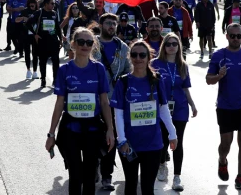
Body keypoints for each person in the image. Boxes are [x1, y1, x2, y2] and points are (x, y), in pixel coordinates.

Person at [45, 27, 115, 195]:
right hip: (70, 128)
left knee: (90, 176)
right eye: (81, 42)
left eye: (89, 42)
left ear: (93, 46)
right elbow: (59, 103)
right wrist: (51, 134)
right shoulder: (64, 70)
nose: (85, 45)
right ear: (73, 44)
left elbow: (104, 102)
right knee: (75, 175)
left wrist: (110, 130)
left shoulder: (98, 69)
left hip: (93, 129)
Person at [110, 40, 178, 195]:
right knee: (131, 185)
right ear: (129, 57)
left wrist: (172, 133)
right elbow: (118, 114)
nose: (138, 58)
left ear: (149, 57)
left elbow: (163, 109)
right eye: (134, 54)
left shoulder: (157, 79)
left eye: (142, 54)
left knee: (148, 188)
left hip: (153, 144)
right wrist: (121, 140)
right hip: (130, 144)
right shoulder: (123, 81)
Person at [206, 23, 241, 190]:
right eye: (233, 36)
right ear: (227, 36)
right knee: (226, 143)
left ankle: (240, 176)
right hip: (225, 105)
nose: (236, 39)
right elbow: (209, 79)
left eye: (239, 36)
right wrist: (218, 76)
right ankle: (222, 160)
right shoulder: (218, 55)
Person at [151, 33, 197, 191]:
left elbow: (185, 88)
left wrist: (192, 105)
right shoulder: (155, 63)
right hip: (161, 108)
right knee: (163, 140)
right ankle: (162, 165)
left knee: (177, 141)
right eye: (169, 44)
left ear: (179, 47)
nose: (171, 46)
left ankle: (177, 177)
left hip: (180, 108)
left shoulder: (182, 65)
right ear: (164, 46)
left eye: (175, 44)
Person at [93, 13, 131, 191]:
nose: (111, 26)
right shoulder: (91, 44)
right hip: (92, 101)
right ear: (101, 25)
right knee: (92, 138)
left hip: (115, 101)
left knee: (111, 138)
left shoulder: (122, 47)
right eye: (108, 23)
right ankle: (94, 165)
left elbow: (127, 72)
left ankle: (107, 175)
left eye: (113, 24)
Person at [26, 0, 64, 87]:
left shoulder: (54, 13)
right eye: (52, 3)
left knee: (56, 61)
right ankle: (43, 79)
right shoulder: (39, 13)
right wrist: (35, 34)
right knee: (42, 61)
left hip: (54, 41)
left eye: (54, 3)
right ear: (46, 4)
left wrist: (61, 39)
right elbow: (27, 23)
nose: (53, 5)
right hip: (42, 41)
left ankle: (55, 80)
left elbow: (58, 28)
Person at [15, 0, 40, 79]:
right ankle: (28, 70)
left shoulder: (38, 12)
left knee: (35, 54)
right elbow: (16, 20)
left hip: (35, 35)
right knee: (27, 53)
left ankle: (35, 71)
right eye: (30, 3)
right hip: (26, 35)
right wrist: (23, 18)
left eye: (33, 3)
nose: (32, 4)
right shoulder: (25, 11)